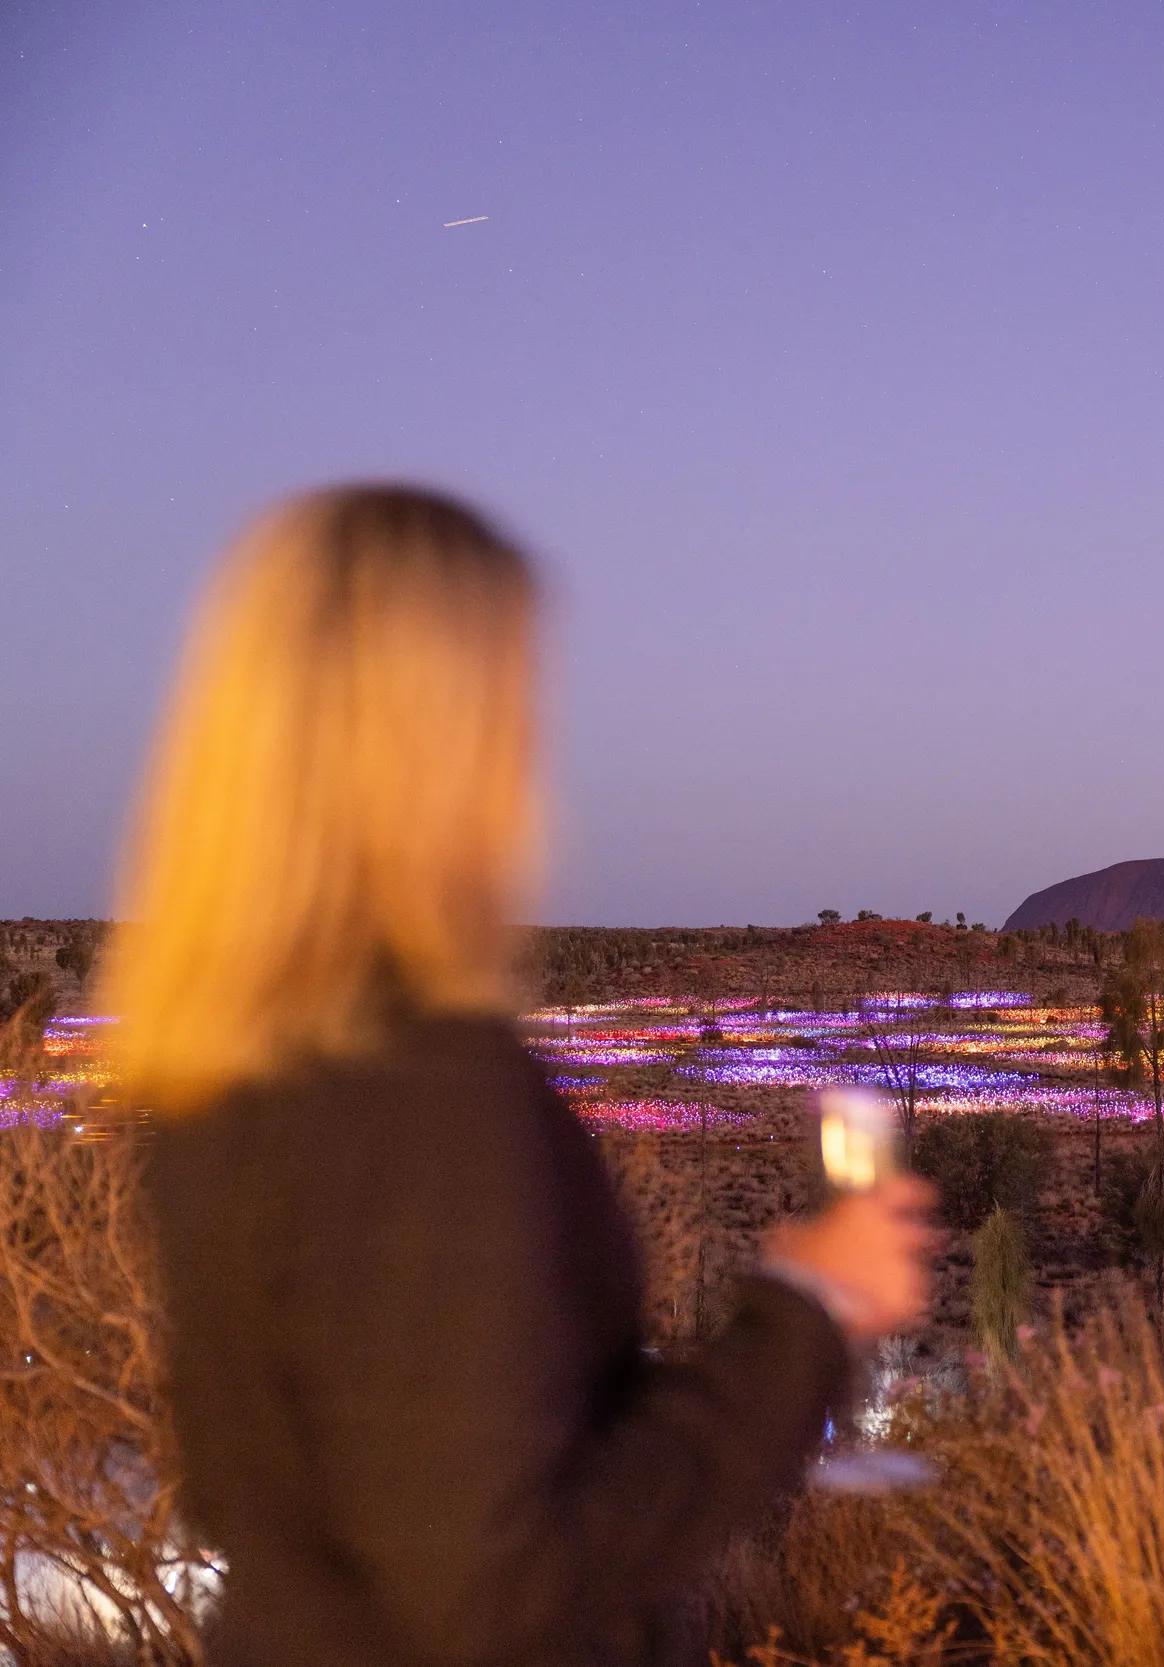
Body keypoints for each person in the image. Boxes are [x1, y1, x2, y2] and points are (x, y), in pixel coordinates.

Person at [105, 485, 935, 1666]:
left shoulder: (228, 1064)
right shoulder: (416, 1092)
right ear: (436, 737)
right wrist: (802, 1322)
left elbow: (326, 1489)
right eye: (509, 698)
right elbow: (497, 1588)